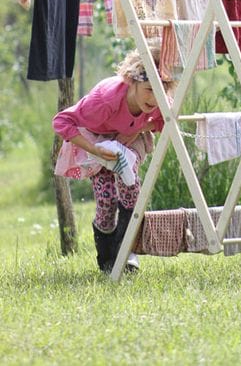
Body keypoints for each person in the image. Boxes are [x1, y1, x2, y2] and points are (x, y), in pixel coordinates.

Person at [53, 48, 175, 273]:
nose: (155, 98)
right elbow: (62, 122)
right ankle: (107, 259)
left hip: (130, 141)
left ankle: (127, 251)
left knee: (130, 186)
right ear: (132, 82)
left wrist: (141, 126)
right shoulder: (104, 101)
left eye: (160, 91)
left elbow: (166, 122)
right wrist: (95, 151)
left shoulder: (161, 101)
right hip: (99, 142)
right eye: (149, 90)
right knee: (107, 201)